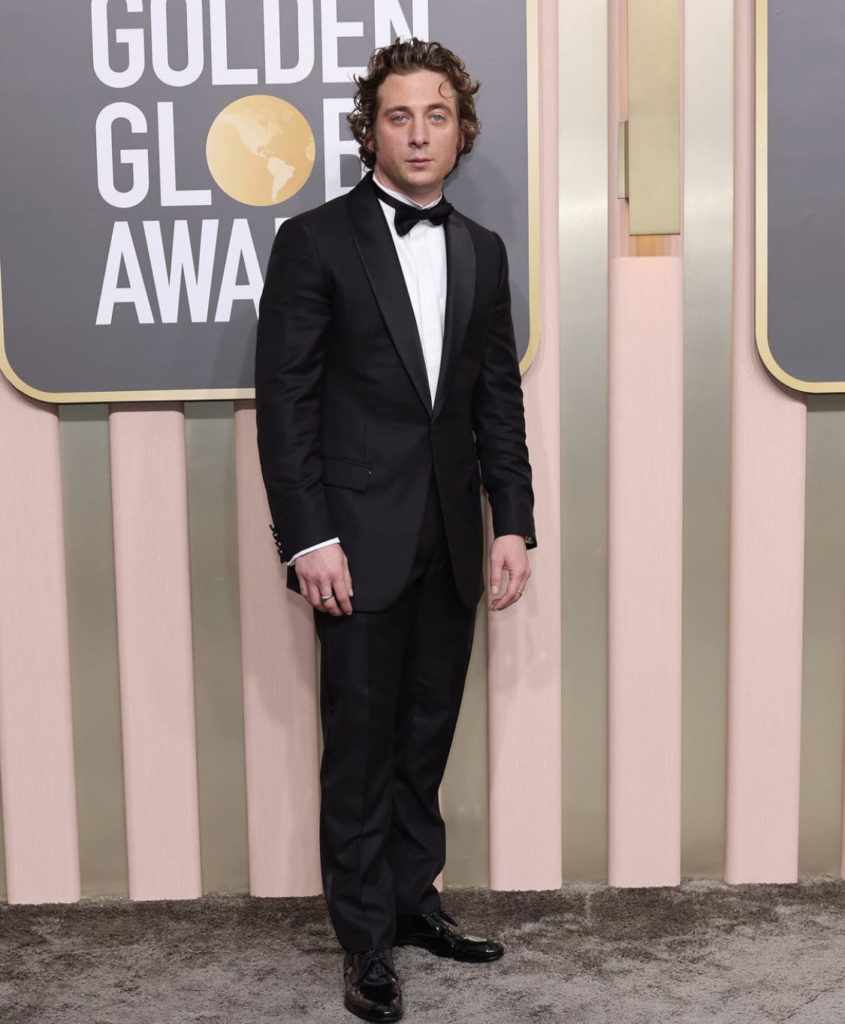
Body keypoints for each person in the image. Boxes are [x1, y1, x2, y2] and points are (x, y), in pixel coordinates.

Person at [255, 37, 536, 1023]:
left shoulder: (482, 251)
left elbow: (495, 400)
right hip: (352, 542)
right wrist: (307, 537)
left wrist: (512, 524)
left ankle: (415, 901)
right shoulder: (313, 242)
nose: (418, 134)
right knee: (360, 747)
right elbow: (285, 403)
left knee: (424, 736)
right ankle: (364, 939)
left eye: (436, 116)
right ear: (369, 131)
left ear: (460, 131)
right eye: (398, 116)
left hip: (451, 536)